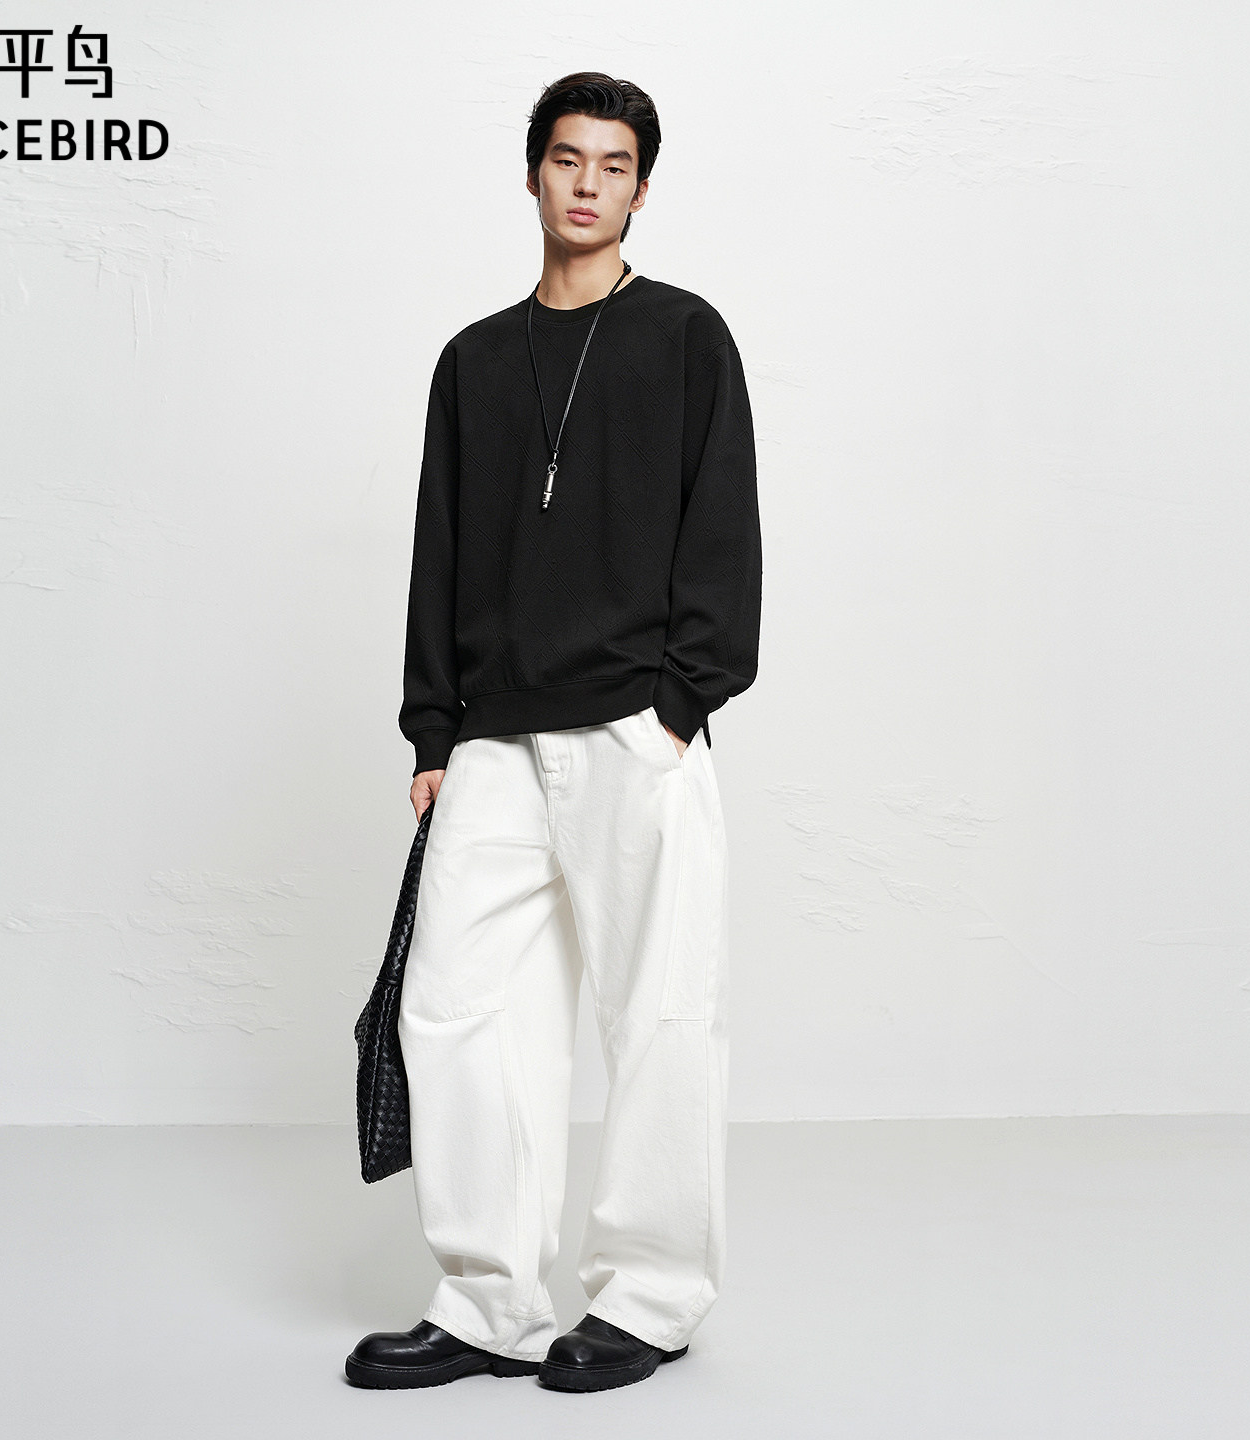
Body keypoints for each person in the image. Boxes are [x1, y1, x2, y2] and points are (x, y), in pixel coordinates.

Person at [346, 71, 762, 1394]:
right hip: (495, 737)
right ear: (532, 174)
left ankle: (650, 1297)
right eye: (569, 159)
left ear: (641, 188)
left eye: (614, 164)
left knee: (661, 1015)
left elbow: (724, 525)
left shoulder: (687, 338)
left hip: (640, 728)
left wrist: (685, 701)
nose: (588, 184)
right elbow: (440, 547)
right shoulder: (473, 361)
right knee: (458, 1010)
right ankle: (490, 1302)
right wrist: (433, 731)